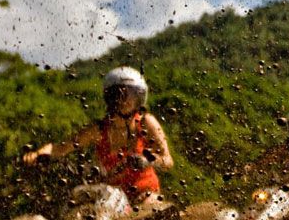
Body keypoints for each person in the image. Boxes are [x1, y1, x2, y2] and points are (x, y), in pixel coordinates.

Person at [21, 66, 174, 207]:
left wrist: (147, 161)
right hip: (113, 199)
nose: (126, 100)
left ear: (139, 98)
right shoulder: (98, 130)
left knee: (151, 210)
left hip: (146, 194)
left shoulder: (147, 122)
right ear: (110, 98)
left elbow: (168, 161)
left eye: (132, 94)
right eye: (120, 94)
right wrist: (38, 154)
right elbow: (61, 147)